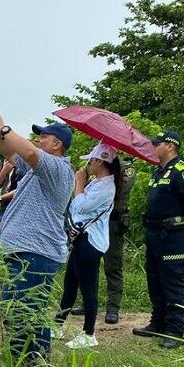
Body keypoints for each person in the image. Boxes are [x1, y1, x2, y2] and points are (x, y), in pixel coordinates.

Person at [0, 109, 74, 367]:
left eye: (43, 137)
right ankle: (23, 363)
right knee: (16, 312)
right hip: (23, 252)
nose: (38, 140)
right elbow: (12, 154)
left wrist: (4, 128)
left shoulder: (58, 168)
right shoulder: (36, 171)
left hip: (37, 254)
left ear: (57, 145)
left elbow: (30, 153)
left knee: (28, 313)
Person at [132, 131, 184, 349]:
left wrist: (183, 226)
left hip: (173, 237)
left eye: (158, 143)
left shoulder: (182, 172)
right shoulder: (158, 172)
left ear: (171, 146)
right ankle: (158, 323)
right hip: (154, 236)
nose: (154, 146)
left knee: (172, 282)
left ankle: (174, 332)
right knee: (155, 281)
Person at [53, 143, 119, 348]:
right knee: (70, 284)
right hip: (82, 240)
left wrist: (78, 183)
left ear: (100, 161)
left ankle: (89, 333)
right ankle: (57, 324)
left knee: (88, 289)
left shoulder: (106, 186)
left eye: (91, 160)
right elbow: (76, 207)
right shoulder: (97, 182)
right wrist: (82, 185)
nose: (88, 164)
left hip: (91, 243)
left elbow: (79, 206)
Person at [69, 157, 137, 324]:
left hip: (114, 221)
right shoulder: (97, 174)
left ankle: (113, 308)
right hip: (93, 223)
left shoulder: (124, 168)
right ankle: (87, 303)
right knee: (88, 267)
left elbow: (122, 187)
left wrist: (105, 178)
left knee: (112, 265)